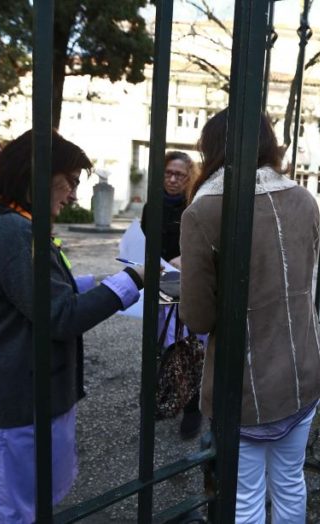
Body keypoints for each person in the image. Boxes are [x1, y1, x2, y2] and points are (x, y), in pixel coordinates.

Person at [0, 129, 146, 523]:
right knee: (0, 513)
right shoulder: (10, 230)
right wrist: (135, 279)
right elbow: (59, 316)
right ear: (39, 176)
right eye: (72, 182)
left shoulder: (5, 223)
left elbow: (29, 294)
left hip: (6, 405)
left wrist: (91, 285)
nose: (74, 196)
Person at [179, 109, 320, 523]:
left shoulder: (203, 211)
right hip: (302, 371)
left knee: (244, 498)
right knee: (290, 482)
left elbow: (198, 318)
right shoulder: (304, 199)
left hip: (244, 386)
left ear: (211, 149)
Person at [140, 150, 203, 439]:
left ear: (189, 177)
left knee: (189, 347)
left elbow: (206, 246)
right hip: (159, 284)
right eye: (168, 173)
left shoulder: (195, 206)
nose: (173, 179)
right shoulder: (152, 206)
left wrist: (185, 258)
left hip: (189, 286)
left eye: (179, 174)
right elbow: (143, 240)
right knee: (161, 345)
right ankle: (164, 396)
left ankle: (193, 408)